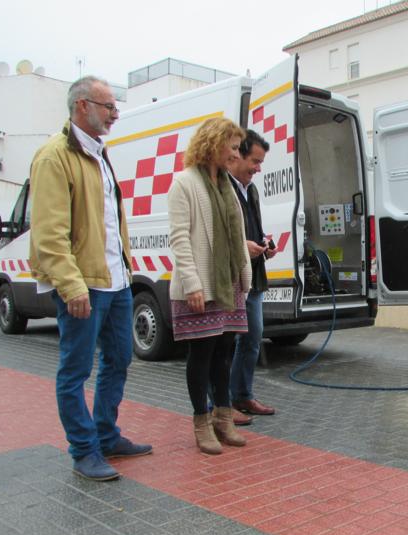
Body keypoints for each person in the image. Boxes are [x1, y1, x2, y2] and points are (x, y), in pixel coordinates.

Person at [29, 76, 152, 482]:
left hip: (115, 283)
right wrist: (71, 284)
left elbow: (110, 223)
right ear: (82, 106)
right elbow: (49, 233)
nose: (115, 113)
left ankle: (106, 434)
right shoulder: (54, 156)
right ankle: (84, 450)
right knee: (75, 370)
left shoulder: (100, 154)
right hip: (83, 285)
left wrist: (128, 269)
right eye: (108, 106)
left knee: (120, 358)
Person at [168, 117, 252, 455]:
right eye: (231, 146)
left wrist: (243, 275)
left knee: (224, 354)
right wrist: (192, 283)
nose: (236, 152)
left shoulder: (227, 184)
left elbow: (235, 233)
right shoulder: (184, 183)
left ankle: (222, 417)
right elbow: (179, 238)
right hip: (200, 284)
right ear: (213, 144)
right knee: (201, 355)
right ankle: (201, 422)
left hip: (227, 283)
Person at [226, 130, 277, 423]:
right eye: (255, 162)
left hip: (254, 278)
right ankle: (220, 405)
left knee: (252, 338)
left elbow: (253, 229)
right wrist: (242, 247)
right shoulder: (222, 187)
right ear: (237, 156)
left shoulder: (252, 190)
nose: (258, 168)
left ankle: (242, 395)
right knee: (224, 344)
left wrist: (264, 245)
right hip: (230, 279)